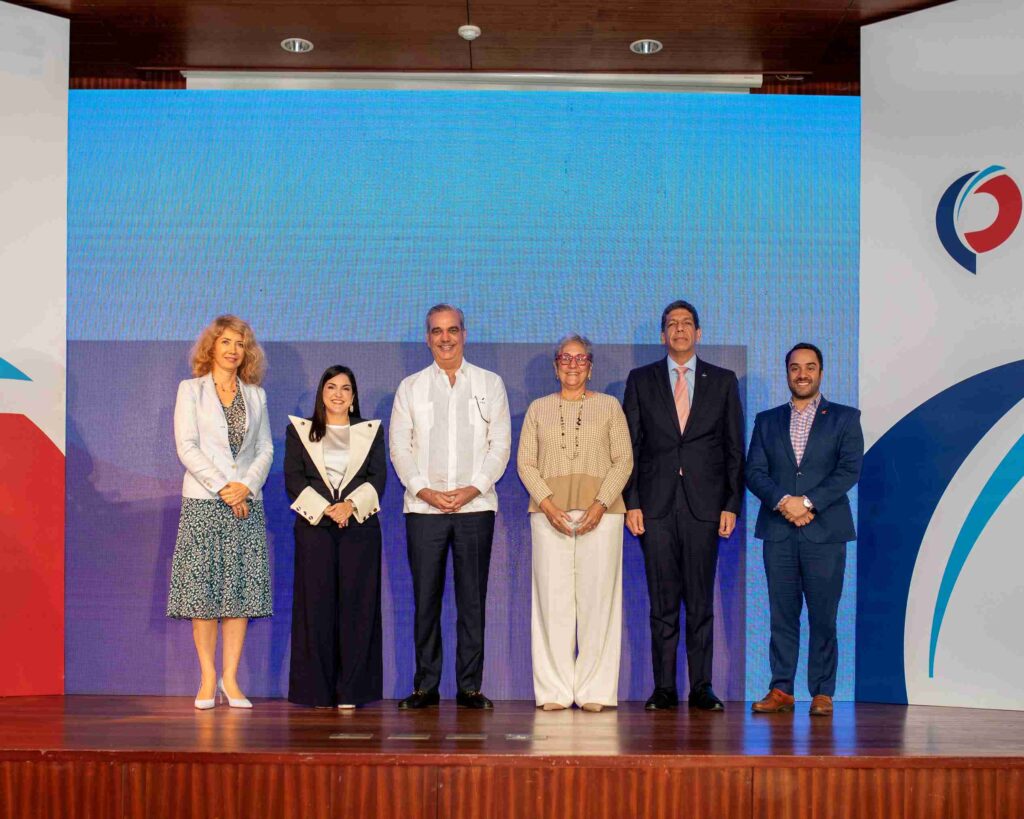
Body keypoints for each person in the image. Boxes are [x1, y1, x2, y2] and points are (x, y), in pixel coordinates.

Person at [623, 300, 744, 712]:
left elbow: (733, 449)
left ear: (699, 333)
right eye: (671, 324)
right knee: (662, 603)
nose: (679, 330)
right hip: (654, 508)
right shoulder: (640, 380)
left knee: (700, 602)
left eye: (686, 323)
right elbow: (631, 448)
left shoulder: (723, 381)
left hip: (705, 508)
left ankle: (702, 687)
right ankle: (663, 688)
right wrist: (632, 502)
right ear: (662, 335)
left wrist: (731, 504)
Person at [389, 304, 511, 709]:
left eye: (452, 330)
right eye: (437, 331)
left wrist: (471, 490)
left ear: (464, 334)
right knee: (426, 600)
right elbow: (400, 449)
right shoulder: (410, 387)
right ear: (427, 338)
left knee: (472, 601)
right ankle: (425, 686)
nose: (445, 338)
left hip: (475, 508)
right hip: (423, 511)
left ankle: (469, 687)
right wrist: (424, 491)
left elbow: (500, 448)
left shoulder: (490, 384)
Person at [746, 343, 863, 717]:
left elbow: (849, 470)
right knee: (782, 615)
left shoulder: (844, 418)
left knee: (823, 616)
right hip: (779, 531)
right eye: (795, 367)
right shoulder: (767, 420)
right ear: (787, 374)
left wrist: (807, 502)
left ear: (821, 373)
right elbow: (754, 472)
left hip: (825, 532)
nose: (802, 374)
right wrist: (785, 503)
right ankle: (781, 689)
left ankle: (822, 692)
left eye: (810, 367)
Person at [517, 334, 633, 712]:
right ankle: (553, 691)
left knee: (599, 602)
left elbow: (624, 460)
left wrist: (600, 504)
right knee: (552, 602)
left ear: (591, 366)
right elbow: (526, 463)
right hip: (549, 515)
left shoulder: (610, 406)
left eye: (580, 359)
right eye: (565, 358)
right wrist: (548, 506)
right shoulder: (537, 409)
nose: (572, 365)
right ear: (555, 366)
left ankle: (595, 691)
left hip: (604, 515)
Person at [167, 315, 273, 710]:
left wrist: (247, 485)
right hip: (204, 503)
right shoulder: (190, 391)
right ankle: (208, 677)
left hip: (247, 504)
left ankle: (231, 678)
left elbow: (264, 449)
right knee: (203, 594)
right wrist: (225, 488)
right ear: (211, 347)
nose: (232, 349)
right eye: (225, 341)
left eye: (240, 343)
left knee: (239, 595)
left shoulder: (256, 395)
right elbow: (187, 446)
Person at [284, 365, 386, 709]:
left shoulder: (371, 432)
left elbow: (378, 478)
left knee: (358, 610)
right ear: (321, 393)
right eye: (331, 387)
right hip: (315, 531)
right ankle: (317, 691)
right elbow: (294, 480)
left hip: (359, 530)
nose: (338, 394)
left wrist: (350, 506)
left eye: (345, 388)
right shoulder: (298, 431)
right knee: (316, 609)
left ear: (354, 396)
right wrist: (327, 508)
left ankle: (351, 692)